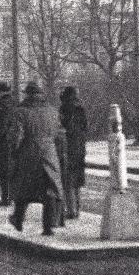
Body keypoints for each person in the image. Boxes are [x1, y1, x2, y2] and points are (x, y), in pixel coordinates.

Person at [7, 81, 64, 236]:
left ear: (27, 95)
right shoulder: (52, 111)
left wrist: (13, 152)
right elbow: (59, 135)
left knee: (23, 188)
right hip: (49, 153)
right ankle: (48, 226)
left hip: (28, 153)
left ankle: (18, 219)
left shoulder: (20, 112)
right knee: (50, 190)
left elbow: (16, 136)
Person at [59, 86, 88, 220]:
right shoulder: (81, 108)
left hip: (68, 147)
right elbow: (85, 127)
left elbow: (62, 127)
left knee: (67, 180)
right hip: (80, 147)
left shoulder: (65, 108)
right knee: (76, 181)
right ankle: (77, 209)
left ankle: (70, 210)